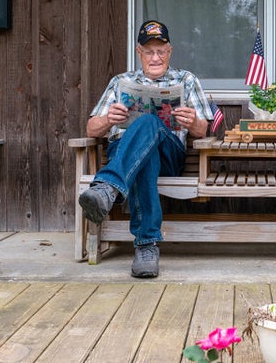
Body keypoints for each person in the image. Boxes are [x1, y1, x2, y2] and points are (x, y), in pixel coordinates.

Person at [78, 20, 214, 278]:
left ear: (170, 51)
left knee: (150, 123)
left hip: (169, 154)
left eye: (161, 51)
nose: (155, 57)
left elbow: (202, 131)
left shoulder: (186, 80)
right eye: (149, 51)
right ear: (139, 52)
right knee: (143, 157)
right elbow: (91, 129)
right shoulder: (120, 82)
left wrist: (192, 121)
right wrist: (108, 119)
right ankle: (146, 248)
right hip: (125, 153)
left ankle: (107, 187)